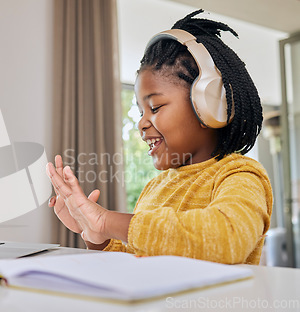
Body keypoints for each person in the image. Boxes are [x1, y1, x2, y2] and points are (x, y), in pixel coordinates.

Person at [46, 9, 273, 265]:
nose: (142, 123)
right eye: (141, 111)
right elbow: (134, 261)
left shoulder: (240, 176)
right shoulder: (154, 188)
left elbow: (226, 239)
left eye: (154, 108)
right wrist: (96, 235)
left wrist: (106, 220)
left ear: (209, 104)